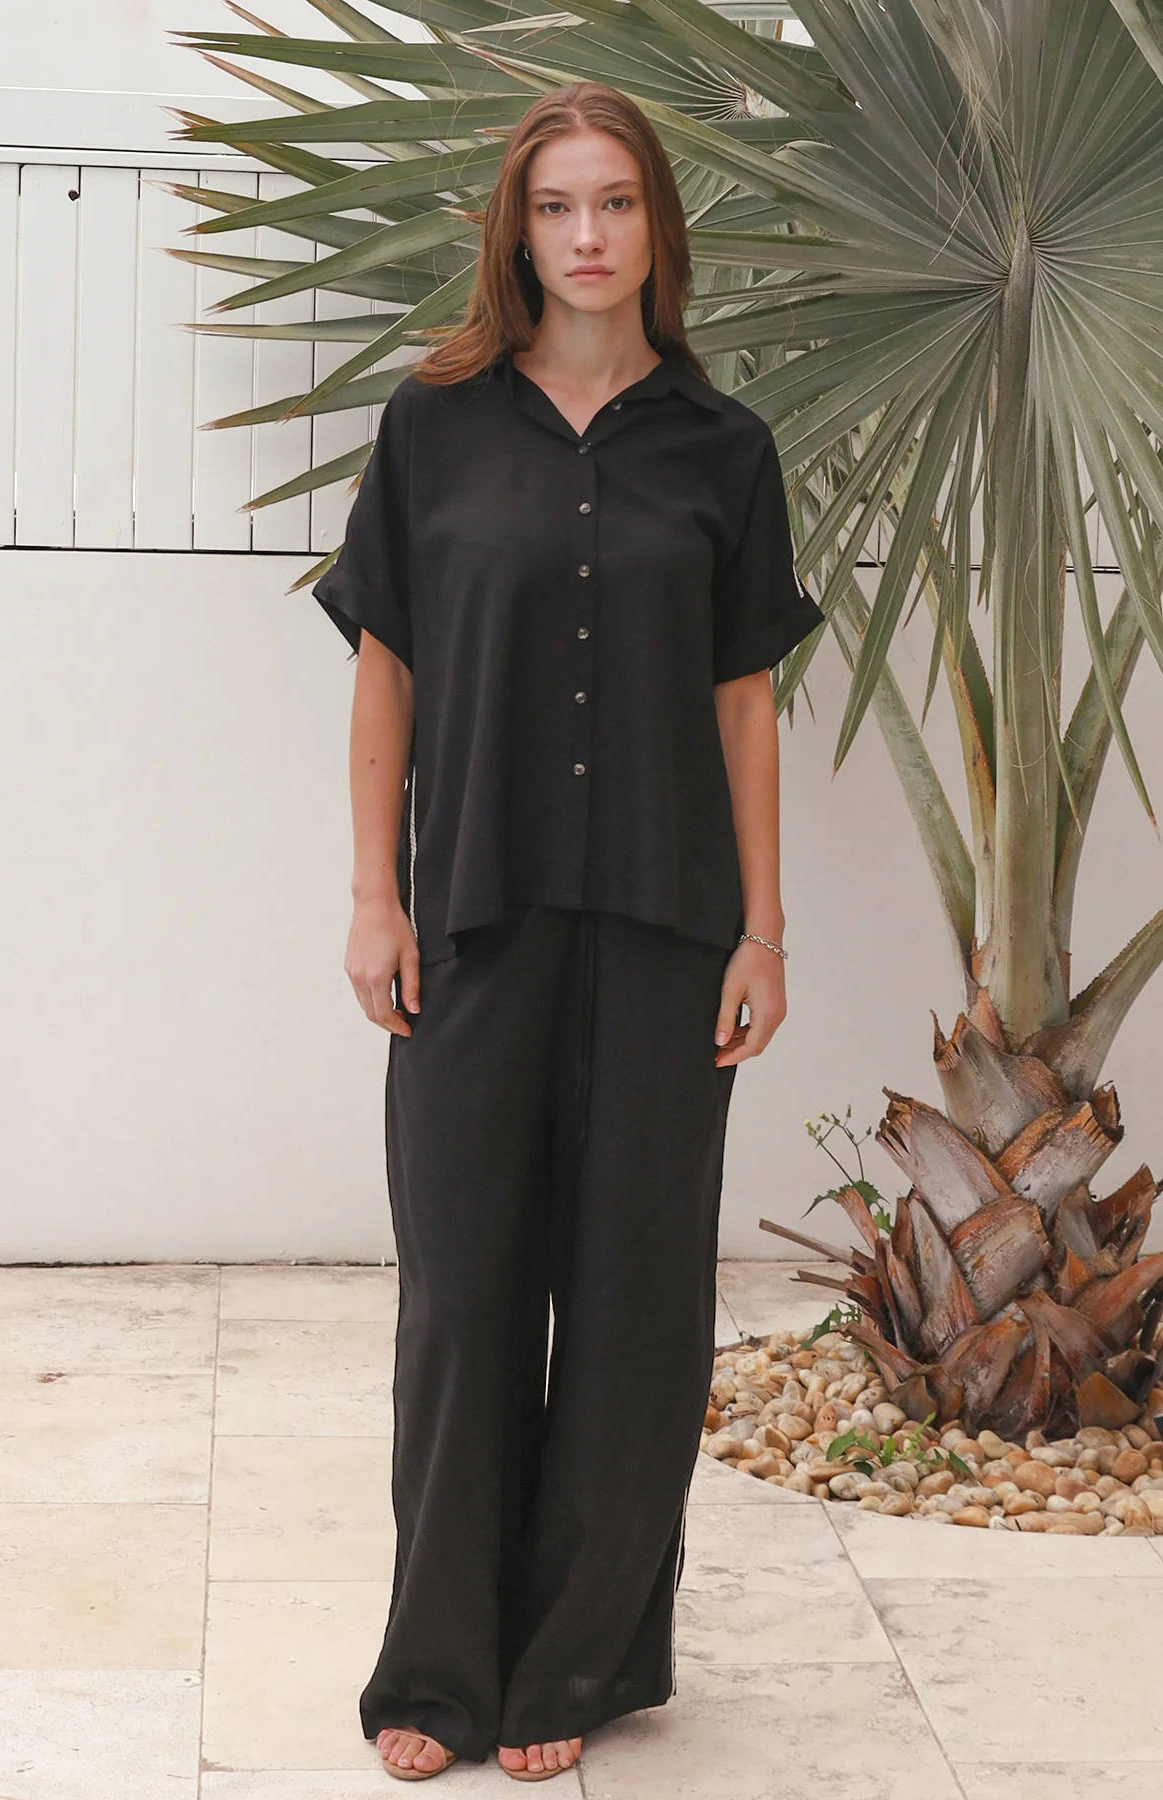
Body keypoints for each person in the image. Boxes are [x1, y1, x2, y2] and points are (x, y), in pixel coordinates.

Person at [311, 79, 825, 1785]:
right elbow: (386, 670)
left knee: (634, 1310)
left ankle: (578, 1664)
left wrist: (764, 932)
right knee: (464, 1299)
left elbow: (744, 702)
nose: (587, 235)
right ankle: (438, 1670)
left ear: (658, 225)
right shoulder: (434, 428)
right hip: (475, 921)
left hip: (672, 933)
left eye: (614, 203)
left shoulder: (724, 450)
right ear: (515, 232)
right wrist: (374, 894)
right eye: (555, 206)